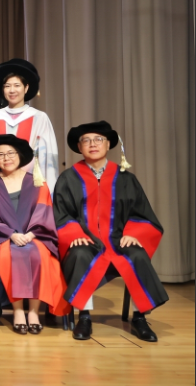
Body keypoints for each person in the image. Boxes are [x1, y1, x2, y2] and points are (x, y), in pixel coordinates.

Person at [55, 121, 168, 343]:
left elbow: (142, 213)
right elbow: (61, 214)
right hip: (86, 240)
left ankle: (139, 317)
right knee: (80, 254)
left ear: (108, 145)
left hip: (118, 240)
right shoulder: (68, 178)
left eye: (98, 139)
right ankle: (84, 316)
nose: (93, 144)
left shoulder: (125, 178)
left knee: (137, 254)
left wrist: (134, 233)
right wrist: (74, 234)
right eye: (86, 140)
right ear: (79, 147)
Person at [0, 134, 67, 335]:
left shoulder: (37, 182)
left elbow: (44, 212)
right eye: (0, 154)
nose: (6, 158)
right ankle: (18, 311)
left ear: (20, 155)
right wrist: (11, 234)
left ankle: (34, 312)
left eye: (11, 153)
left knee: (38, 254)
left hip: (35, 235)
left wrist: (31, 235)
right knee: (13, 254)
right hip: (3, 237)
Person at [0, 58, 58, 187]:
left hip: (30, 183)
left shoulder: (39, 118)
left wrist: (19, 178)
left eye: (17, 85)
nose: (12, 90)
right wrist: (0, 178)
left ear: (26, 88)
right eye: (7, 86)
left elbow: (44, 155)